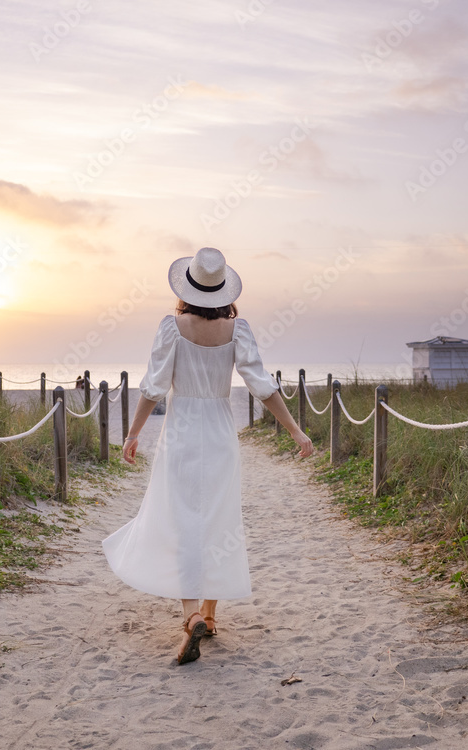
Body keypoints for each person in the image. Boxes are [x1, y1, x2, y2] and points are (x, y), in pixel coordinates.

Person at [101, 247, 314, 666]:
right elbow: (263, 387)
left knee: (182, 520)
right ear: (223, 291)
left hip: (180, 433)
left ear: (187, 287)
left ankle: (192, 614)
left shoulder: (172, 327)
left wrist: (132, 433)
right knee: (218, 517)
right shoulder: (238, 330)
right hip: (219, 431)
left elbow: (153, 388)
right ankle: (212, 615)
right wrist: (295, 430)